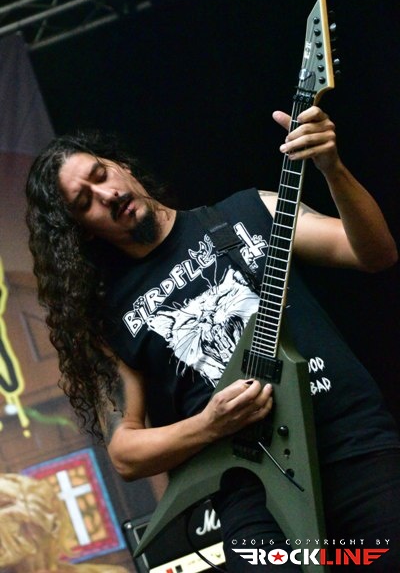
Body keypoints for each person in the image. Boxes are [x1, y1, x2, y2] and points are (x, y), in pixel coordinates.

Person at [26, 107, 400, 571]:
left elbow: (376, 253)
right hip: (257, 495)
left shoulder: (253, 211)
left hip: (355, 448)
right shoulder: (109, 320)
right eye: (85, 202)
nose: (108, 194)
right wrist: (209, 425)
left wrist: (333, 168)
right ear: (82, 231)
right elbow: (125, 453)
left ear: (121, 165)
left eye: (101, 175)